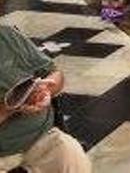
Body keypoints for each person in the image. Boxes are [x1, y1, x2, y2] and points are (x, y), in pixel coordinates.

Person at [0, 25, 91, 172]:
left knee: (70, 152)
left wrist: (45, 91)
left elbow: (55, 74)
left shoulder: (7, 35)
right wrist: (11, 106)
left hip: (41, 139)